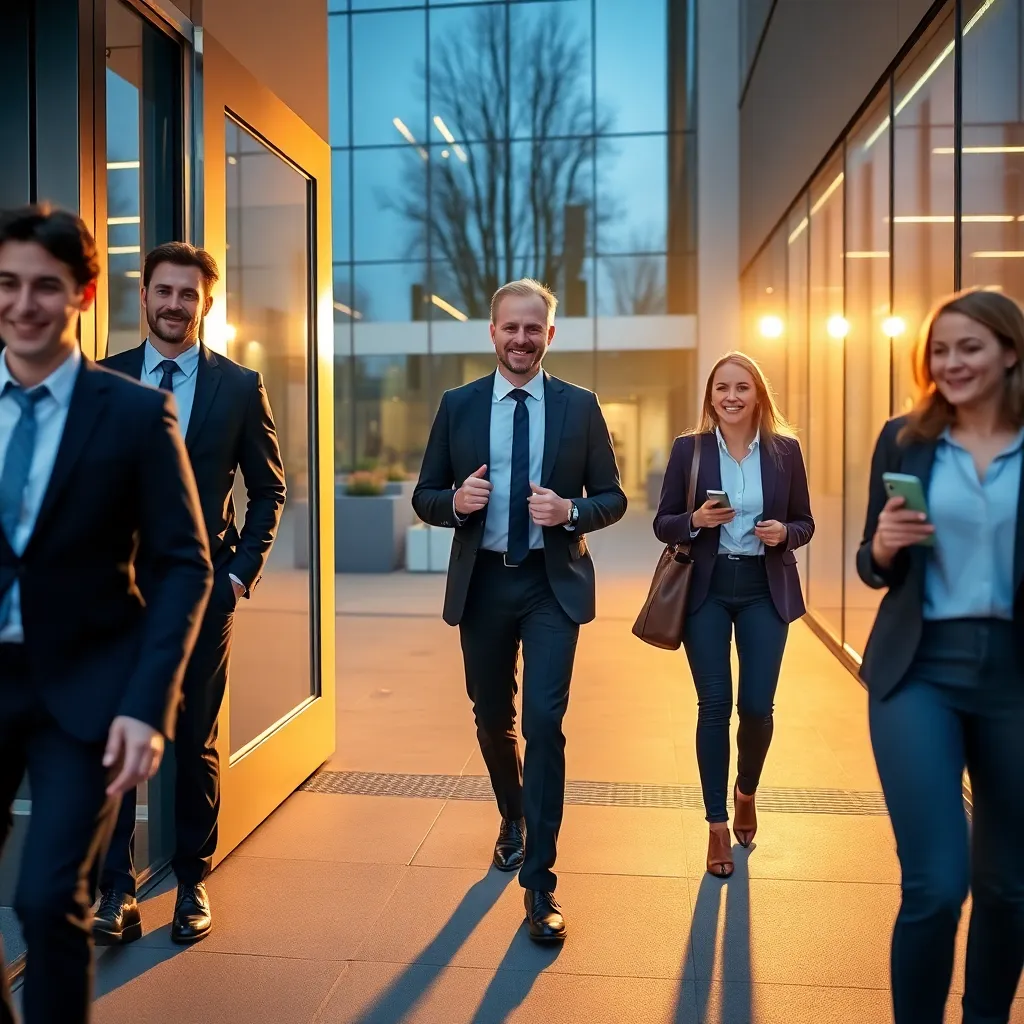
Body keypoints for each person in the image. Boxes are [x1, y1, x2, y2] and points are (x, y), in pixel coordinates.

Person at [0, 205, 211, 1023]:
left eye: (45, 286)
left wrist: (145, 705)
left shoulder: (129, 412)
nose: (23, 304)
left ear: (82, 293)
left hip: (83, 696)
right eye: (8, 284)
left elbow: (181, 563)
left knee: (50, 901)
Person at [412, 278, 626, 942]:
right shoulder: (459, 405)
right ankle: (513, 814)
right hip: (483, 585)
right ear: (493, 332)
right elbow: (425, 494)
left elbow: (612, 498)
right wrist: (455, 505)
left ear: (550, 335)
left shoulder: (580, 407)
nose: (522, 339)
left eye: (535, 329)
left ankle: (541, 884)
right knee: (491, 718)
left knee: (545, 721)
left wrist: (570, 512)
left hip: (550, 584)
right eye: (512, 328)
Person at [94, 242, 286, 945]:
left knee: (195, 740)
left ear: (208, 304)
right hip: (115, 594)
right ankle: (116, 891)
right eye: (163, 291)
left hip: (203, 592)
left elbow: (269, 491)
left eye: (189, 294)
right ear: (142, 296)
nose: (175, 304)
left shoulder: (239, 386)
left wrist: (237, 575)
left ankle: (192, 880)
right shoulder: (101, 378)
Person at [858, 288, 1024, 1024]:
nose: (950, 363)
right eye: (940, 349)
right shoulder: (906, 438)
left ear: (1010, 352)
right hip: (918, 668)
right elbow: (872, 562)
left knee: (1010, 887)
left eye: (970, 348)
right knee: (934, 883)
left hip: (1016, 675)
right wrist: (884, 548)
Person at [654, 352, 813, 879]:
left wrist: (784, 534)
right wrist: (695, 520)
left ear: (758, 395)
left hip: (765, 588)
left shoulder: (785, 451)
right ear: (711, 396)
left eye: (742, 387)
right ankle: (717, 824)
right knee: (714, 705)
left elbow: (805, 521)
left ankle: (747, 790)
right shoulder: (690, 449)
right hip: (707, 587)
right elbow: (664, 523)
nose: (731, 396)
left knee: (758, 707)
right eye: (722, 387)